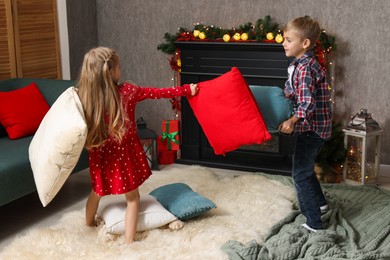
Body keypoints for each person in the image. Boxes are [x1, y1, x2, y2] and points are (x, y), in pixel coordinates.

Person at [76, 47, 198, 243]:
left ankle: (89, 225)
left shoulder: (86, 98)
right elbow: (158, 93)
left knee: (97, 191)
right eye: (119, 67)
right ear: (110, 71)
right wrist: (186, 90)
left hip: (101, 156)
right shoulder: (128, 91)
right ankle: (129, 242)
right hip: (124, 157)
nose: (120, 70)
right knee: (132, 199)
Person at [278, 16, 332, 232]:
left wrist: (292, 120)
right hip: (312, 128)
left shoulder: (305, 67)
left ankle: (314, 223)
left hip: (312, 129)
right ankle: (321, 204)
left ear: (305, 43)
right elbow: (295, 91)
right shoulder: (298, 65)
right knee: (305, 169)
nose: (283, 43)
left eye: (288, 39)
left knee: (299, 173)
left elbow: (307, 102)